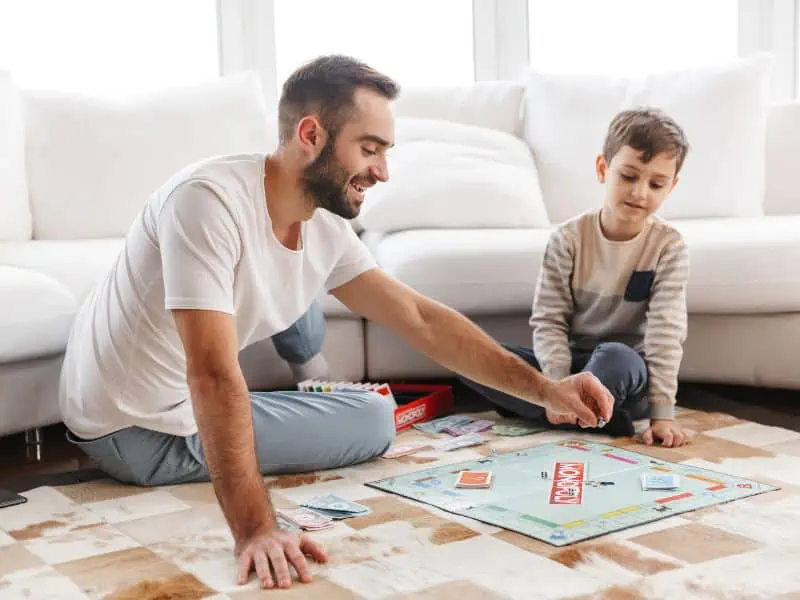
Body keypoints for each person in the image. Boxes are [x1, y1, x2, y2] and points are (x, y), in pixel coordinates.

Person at [58, 55, 614, 591]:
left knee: (341, 361)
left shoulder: (320, 225)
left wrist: (546, 389)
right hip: (130, 428)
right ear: (310, 135)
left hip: (162, 391)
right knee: (373, 419)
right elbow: (210, 373)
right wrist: (255, 530)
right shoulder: (207, 201)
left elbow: (419, 318)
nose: (383, 171)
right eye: (370, 149)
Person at [460, 107, 692, 449]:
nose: (640, 193)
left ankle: (566, 415)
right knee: (472, 355)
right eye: (628, 176)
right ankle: (589, 418)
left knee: (616, 356)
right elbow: (549, 321)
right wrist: (557, 387)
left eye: (656, 183)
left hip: (624, 374)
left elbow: (665, 334)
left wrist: (662, 415)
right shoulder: (567, 239)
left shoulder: (668, 246)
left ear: (670, 187)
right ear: (603, 169)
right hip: (570, 367)